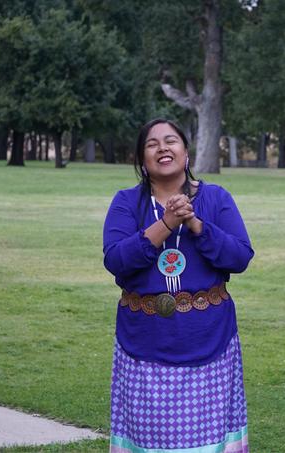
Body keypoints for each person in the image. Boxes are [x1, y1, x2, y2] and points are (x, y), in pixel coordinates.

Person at [103, 118, 254, 453]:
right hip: (144, 341)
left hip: (209, 337)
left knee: (207, 440)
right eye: (152, 144)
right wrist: (166, 223)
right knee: (148, 437)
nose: (162, 148)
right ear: (142, 160)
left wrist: (196, 225)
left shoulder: (215, 198)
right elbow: (116, 261)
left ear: (186, 153)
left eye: (171, 141)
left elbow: (240, 257)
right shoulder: (127, 203)